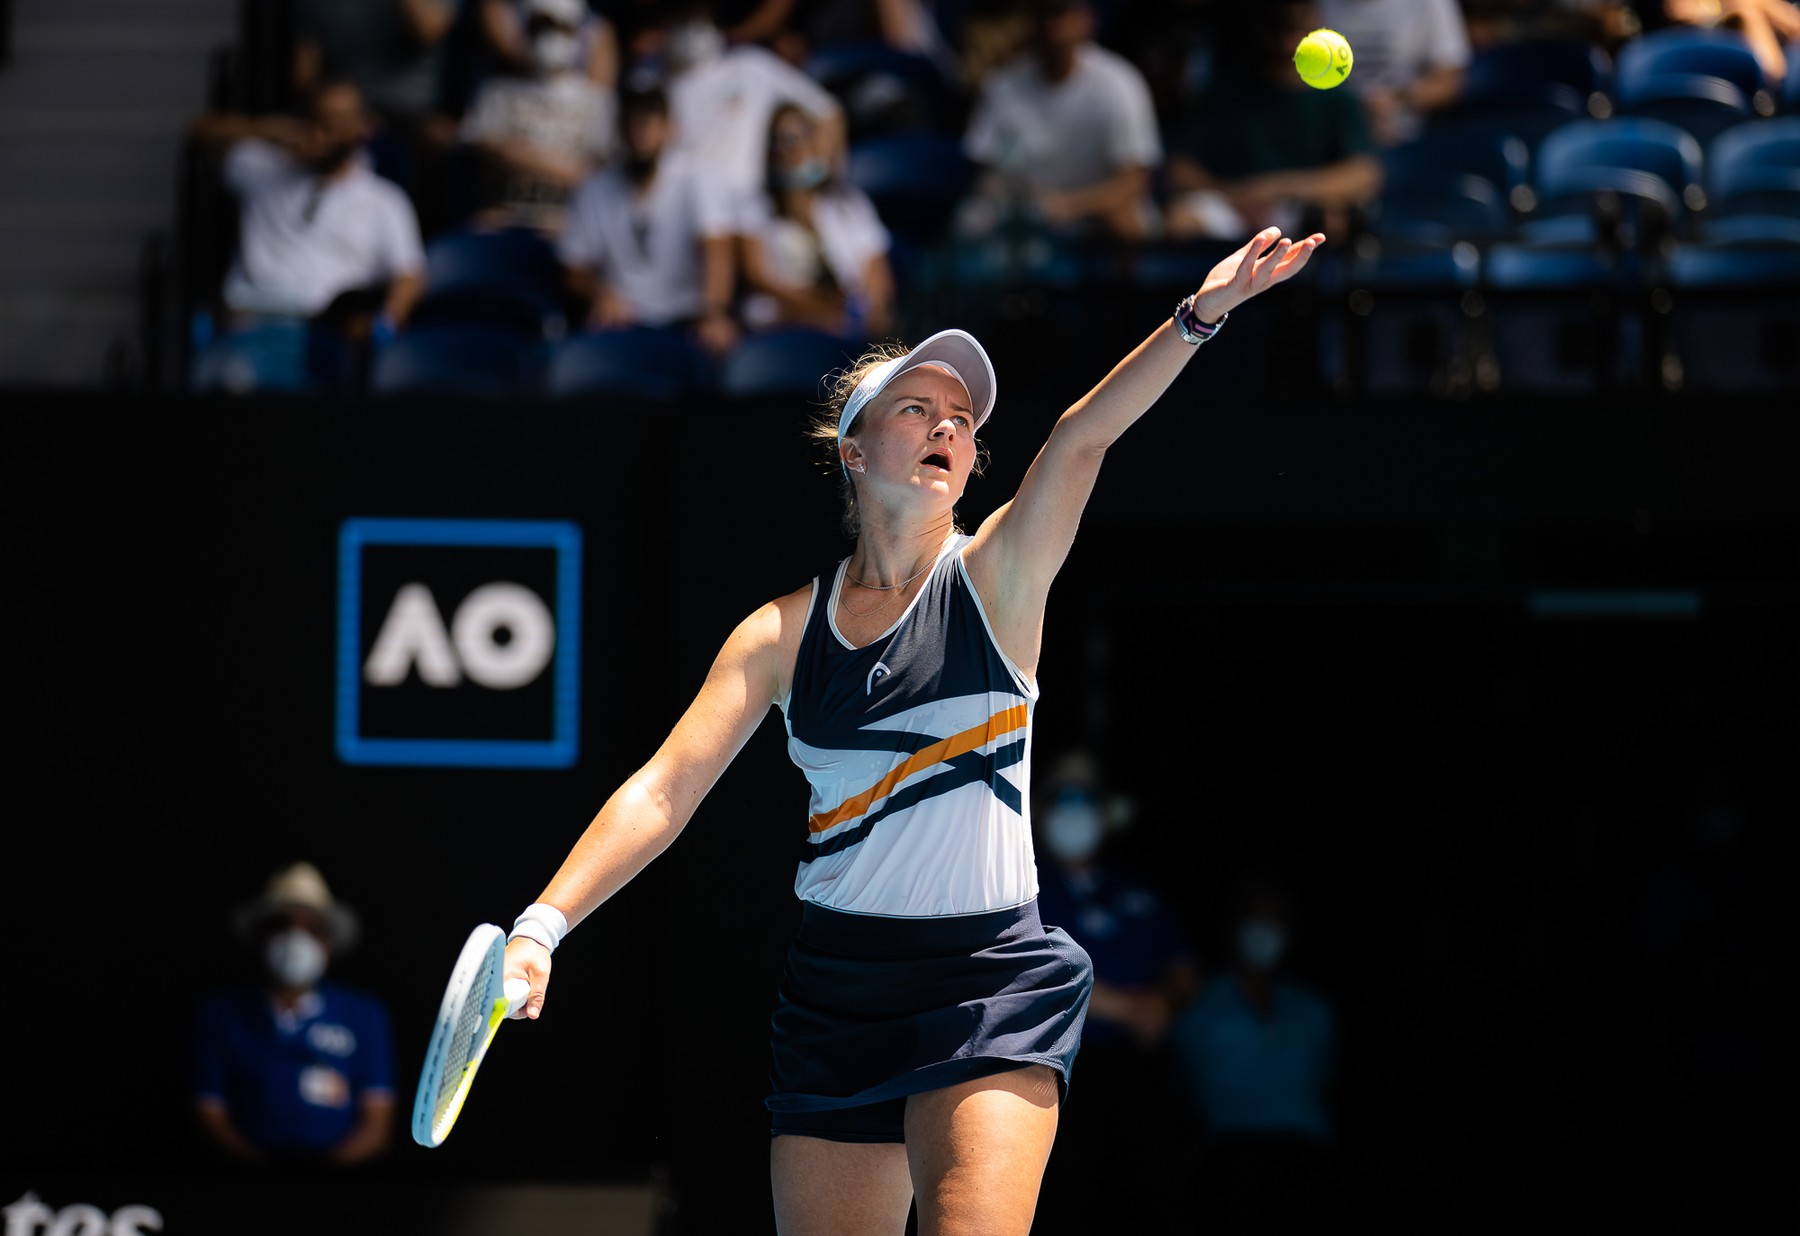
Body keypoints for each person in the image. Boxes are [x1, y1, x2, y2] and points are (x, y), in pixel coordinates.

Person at [496, 218, 1323, 1235]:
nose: (944, 425)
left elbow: (1082, 436)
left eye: (961, 418)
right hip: (838, 993)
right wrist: (542, 926)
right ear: (853, 448)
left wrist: (1202, 314)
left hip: (990, 981)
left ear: (972, 462)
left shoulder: (997, 578)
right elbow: (665, 790)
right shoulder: (777, 636)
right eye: (916, 408)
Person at [1029, 749, 1198, 1236]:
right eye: (1063, 793)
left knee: (1152, 1190)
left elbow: (1184, 966)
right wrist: (1130, 1008)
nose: (1075, 805)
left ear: (1107, 809)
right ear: (1038, 806)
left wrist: (1164, 1002)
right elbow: (1032, 969)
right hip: (1057, 1072)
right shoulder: (1023, 882)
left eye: (1087, 794)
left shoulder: (1136, 888)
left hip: (1139, 1069)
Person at [189, 80, 427, 345]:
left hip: (323, 332)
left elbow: (408, 274)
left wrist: (383, 327)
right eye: (317, 120)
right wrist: (273, 131)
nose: (323, 133)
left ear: (364, 126)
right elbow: (201, 131)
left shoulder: (385, 200)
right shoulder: (262, 167)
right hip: (248, 320)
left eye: (336, 121)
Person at [191, 862, 396, 1167]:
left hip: (340, 1185)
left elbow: (377, 1122)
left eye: (313, 929)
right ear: (260, 937)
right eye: (281, 925)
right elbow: (208, 1111)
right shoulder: (219, 1014)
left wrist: (321, 1177)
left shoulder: (364, 1014)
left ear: (328, 944)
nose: (295, 939)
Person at [1168, 871, 1338, 1233]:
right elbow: (1183, 1084)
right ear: (1234, 926)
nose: (1264, 929)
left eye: (1274, 919)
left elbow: (1326, 1078)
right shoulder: (1200, 1006)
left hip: (1306, 1160)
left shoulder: (1313, 1009)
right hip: (1229, 1161)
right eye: (1255, 917)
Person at [1162, 0, 1382, 243]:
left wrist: (1280, 188)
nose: (1286, 43)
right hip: (1232, 204)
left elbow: (1364, 174)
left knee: (1332, 219)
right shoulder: (1223, 91)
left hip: (1299, 207)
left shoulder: (1337, 97)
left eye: (1296, 31)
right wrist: (1233, 194)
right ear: (1259, 28)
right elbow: (1180, 169)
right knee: (1182, 219)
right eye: (1278, 30)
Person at [557, 80, 741, 354]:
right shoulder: (595, 187)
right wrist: (600, 294)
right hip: (621, 319)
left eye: (651, 122)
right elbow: (573, 268)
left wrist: (714, 314)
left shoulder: (698, 178)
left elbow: (717, 250)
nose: (641, 133)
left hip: (687, 318)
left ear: (670, 128)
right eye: (633, 123)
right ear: (620, 129)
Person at [959, 0, 1163, 243]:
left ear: (1086, 20)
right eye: (1044, 14)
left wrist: (1068, 207)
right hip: (1024, 213)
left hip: (1093, 212)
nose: (1053, 26)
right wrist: (1025, 201)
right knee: (970, 221)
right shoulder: (1003, 85)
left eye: (1061, 13)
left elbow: (1134, 181)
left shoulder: (1119, 83)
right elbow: (984, 169)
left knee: (1125, 221)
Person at [653, 1, 849, 202]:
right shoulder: (652, 87)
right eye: (682, 20)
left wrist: (821, 178)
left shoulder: (751, 66)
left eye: (698, 19)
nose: (691, 29)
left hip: (749, 204)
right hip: (682, 206)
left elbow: (827, 112)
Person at [736, 103, 897, 339]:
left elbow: (877, 274)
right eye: (784, 139)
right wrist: (818, 308)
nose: (795, 147)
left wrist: (870, 311)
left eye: (804, 134)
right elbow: (759, 277)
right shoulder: (755, 208)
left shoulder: (849, 204)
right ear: (770, 150)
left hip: (851, 322)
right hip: (784, 325)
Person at [459, 0, 618, 232]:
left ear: (577, 34)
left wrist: (519, 155)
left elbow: (601, 176)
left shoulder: (597, 102)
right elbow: (484, 155)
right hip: (502, 216)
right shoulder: (496, 93)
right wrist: (567, 169)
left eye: (560, 28)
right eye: (540, 28)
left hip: (570, 221)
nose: (550, 38)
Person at [1315, 0, 1472, 147]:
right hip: (1325, 136)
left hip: (1406, 139)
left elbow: (1449, 81)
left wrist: (1396, 100)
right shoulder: (1313, 6)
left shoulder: (1431, 4)